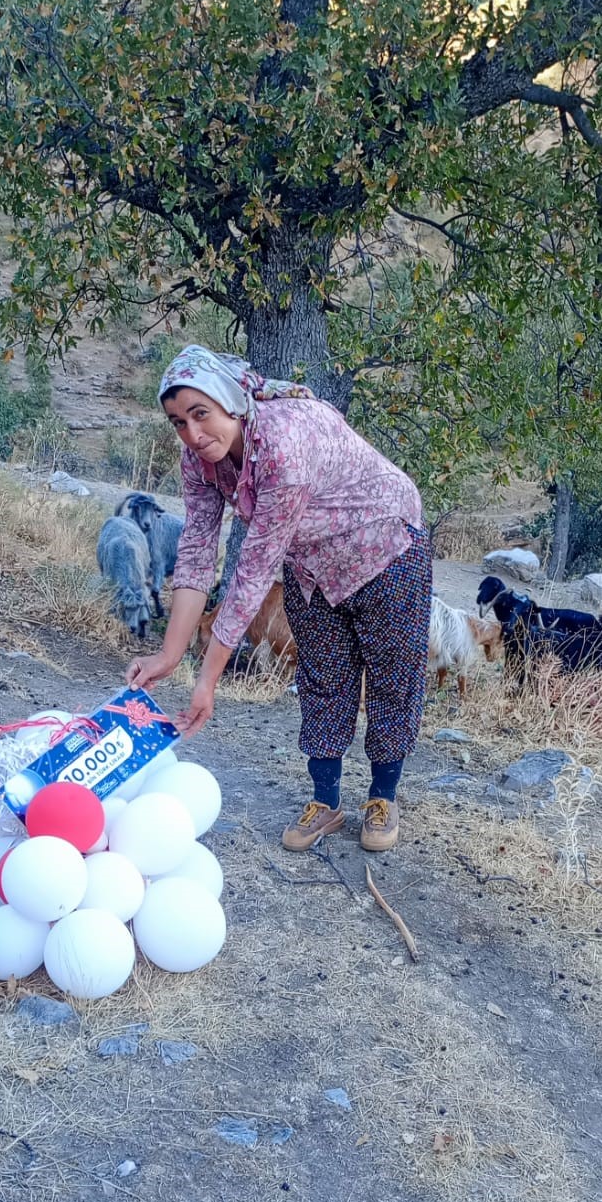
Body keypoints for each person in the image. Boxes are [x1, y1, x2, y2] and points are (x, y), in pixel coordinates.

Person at [127, 345, 432, 853]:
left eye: (201, 414)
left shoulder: (286, 443)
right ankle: (326, 801)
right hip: (311, 564)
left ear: (232, 404)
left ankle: (382, 797)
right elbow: (198, 550)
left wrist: (207, 681)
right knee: (322, 674)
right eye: (178, 421)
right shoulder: (199, 459)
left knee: (392, 675)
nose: (193, 434)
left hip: (386, 548)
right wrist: (170, 653)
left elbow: (253, 571)